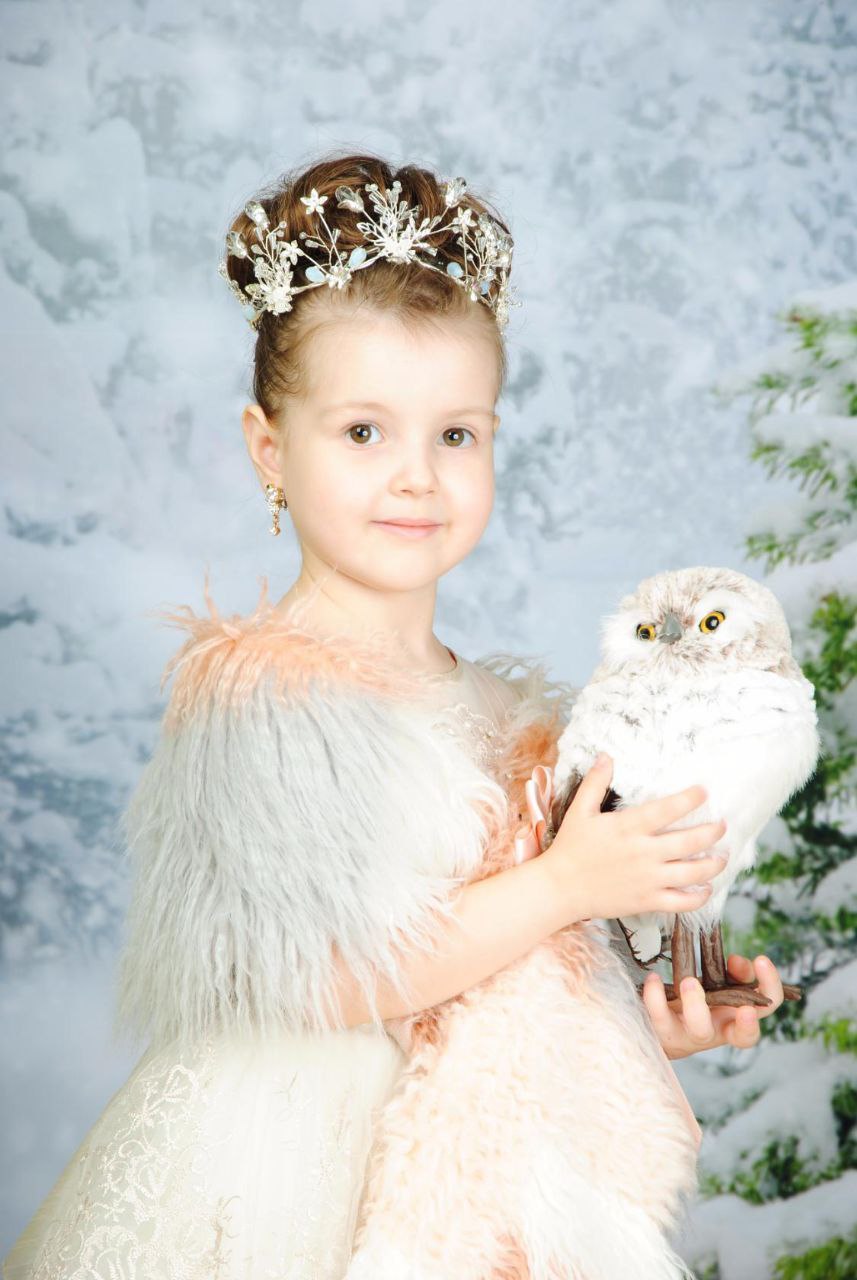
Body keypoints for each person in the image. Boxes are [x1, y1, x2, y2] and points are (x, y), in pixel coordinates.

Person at [3, 151, 786, 1280]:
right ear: (269, 449)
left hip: (479, 1167)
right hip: (293, 1170)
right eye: (363, 432)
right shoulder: (266, 699)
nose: (416, 475)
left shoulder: (506, 711)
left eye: (454, 434)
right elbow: (326, 973)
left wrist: (643, 1015)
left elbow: (500, 983)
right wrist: (565, 883)